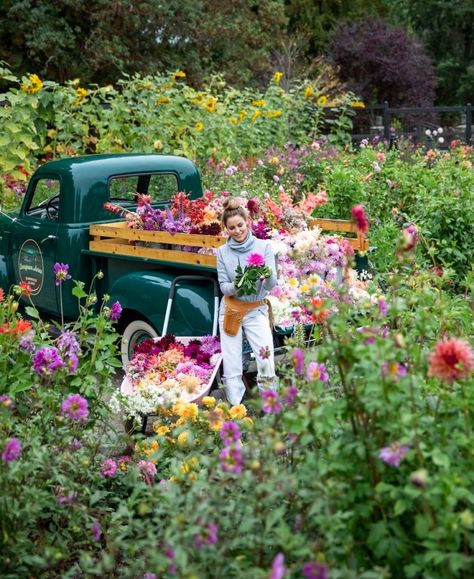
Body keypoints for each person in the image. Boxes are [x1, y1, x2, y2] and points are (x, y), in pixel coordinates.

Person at [216, 198, 278, 405]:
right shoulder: (222, 252)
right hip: (231, 310)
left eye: (240, 225)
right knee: (232, 362)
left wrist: (266, 275)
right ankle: (236, 407)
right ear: (226, 228)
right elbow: (224, 287)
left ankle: (270, 404)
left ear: (247, 222)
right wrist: (239, 283)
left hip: (255, 309)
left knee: (265, 357)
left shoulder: (264, 246)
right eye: (231, 228)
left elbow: (271, 284)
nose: (237, 231)